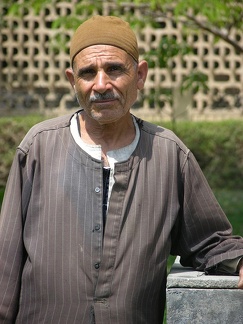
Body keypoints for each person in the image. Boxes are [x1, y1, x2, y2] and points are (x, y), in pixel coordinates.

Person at [0, 15, 242, 324]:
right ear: (72, 80)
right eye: (88, 73)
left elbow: (210, 240)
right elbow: (5, 265)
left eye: (114, 69)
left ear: (139, 75)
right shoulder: (38, 148)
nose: (101, 85)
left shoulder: (169, 155)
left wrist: (238, 261)